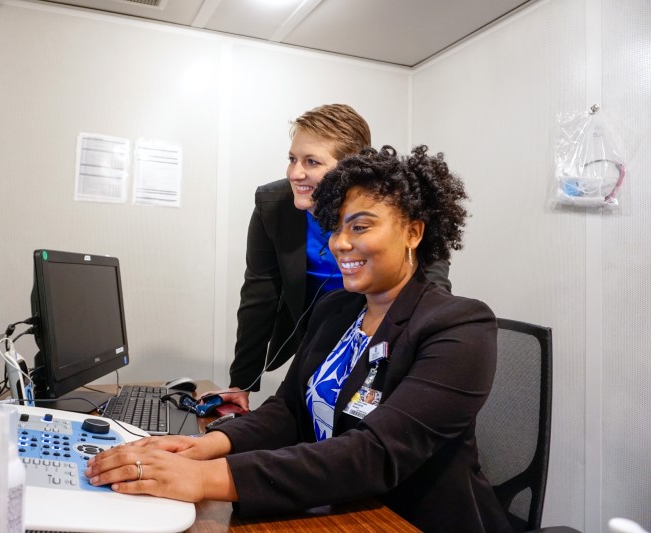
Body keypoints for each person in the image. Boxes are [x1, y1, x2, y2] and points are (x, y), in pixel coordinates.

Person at [84, 145, 511, 533]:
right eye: (335, 228)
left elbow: (375, 452)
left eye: (360, 227)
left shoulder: (459, 325)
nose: (340, 243)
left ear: (413, 233)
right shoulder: (336, 311)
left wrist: (206, 478)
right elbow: (289, 409)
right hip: (339, 505)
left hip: (408, 520)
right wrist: (205, 447)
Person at [226, 104, 451, 410]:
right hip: (316, 330)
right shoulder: (274, 205)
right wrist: (242, 382)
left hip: (382, 327)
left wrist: (426, 345)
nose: (295, 173)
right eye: (292, 159)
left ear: (350, 168)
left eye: (312, 162)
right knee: (304, 412)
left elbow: (431, 282)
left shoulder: (394, 204)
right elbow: (259, 297)